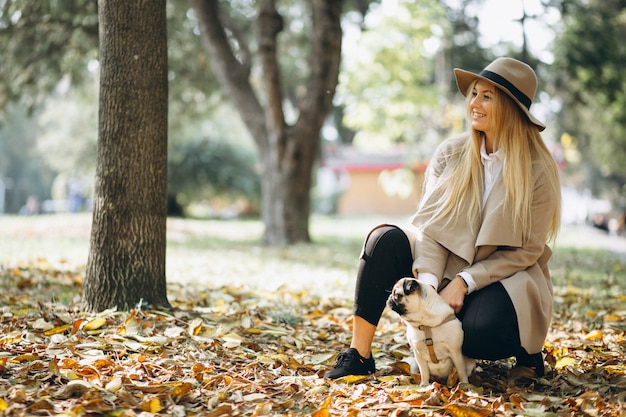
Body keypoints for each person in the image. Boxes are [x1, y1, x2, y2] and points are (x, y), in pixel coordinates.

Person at [325, 57, 561, 380]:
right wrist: (428, 287)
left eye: (487, 97)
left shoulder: (538, 171)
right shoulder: (450, 154)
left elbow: (527, 252)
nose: (474, 103)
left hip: (505, 276)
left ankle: (527, 354)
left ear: (510, 108)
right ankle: (359, 355)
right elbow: (431, 229)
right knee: (383, 240)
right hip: (445, 267)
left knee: (478, 331)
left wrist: (466, 282)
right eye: (474, 94)